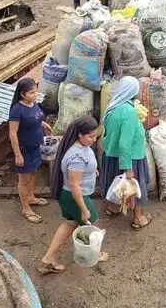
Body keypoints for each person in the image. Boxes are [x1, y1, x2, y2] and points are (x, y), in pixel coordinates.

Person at [38, 116, 100, 274]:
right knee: (92, 224)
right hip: (75, 196)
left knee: (70, 223)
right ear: (80, 134)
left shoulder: (79, 147)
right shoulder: (76, 157)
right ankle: (92, 254)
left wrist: (92, 171)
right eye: (90, 136)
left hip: (69, 195)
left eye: (95, 135)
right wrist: (84, 208)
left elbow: (80, 173)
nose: (93, 140)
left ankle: (49, 258)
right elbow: (74, 184)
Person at [100, 76, 152, 231]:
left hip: (111, 155)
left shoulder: (112, 107)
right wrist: (128, 168)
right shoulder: (129, 112)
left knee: (114, 183)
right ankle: (138, 218)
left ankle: (112, 208)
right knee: (134, 187)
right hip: (130, 157)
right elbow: (124, 144)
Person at [9, 78, 52, 224]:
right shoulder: (17, 110)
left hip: (36, 145)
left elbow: (36, 117)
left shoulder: (33, 104)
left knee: (33, 172)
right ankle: (25, 208)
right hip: (24, 149)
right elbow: (13, 133)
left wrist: (43, 123)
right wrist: (17, 154)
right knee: (23, 179)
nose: (35, 95)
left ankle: (31, 197)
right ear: (22, 94)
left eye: (36, 91)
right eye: (31, 92)